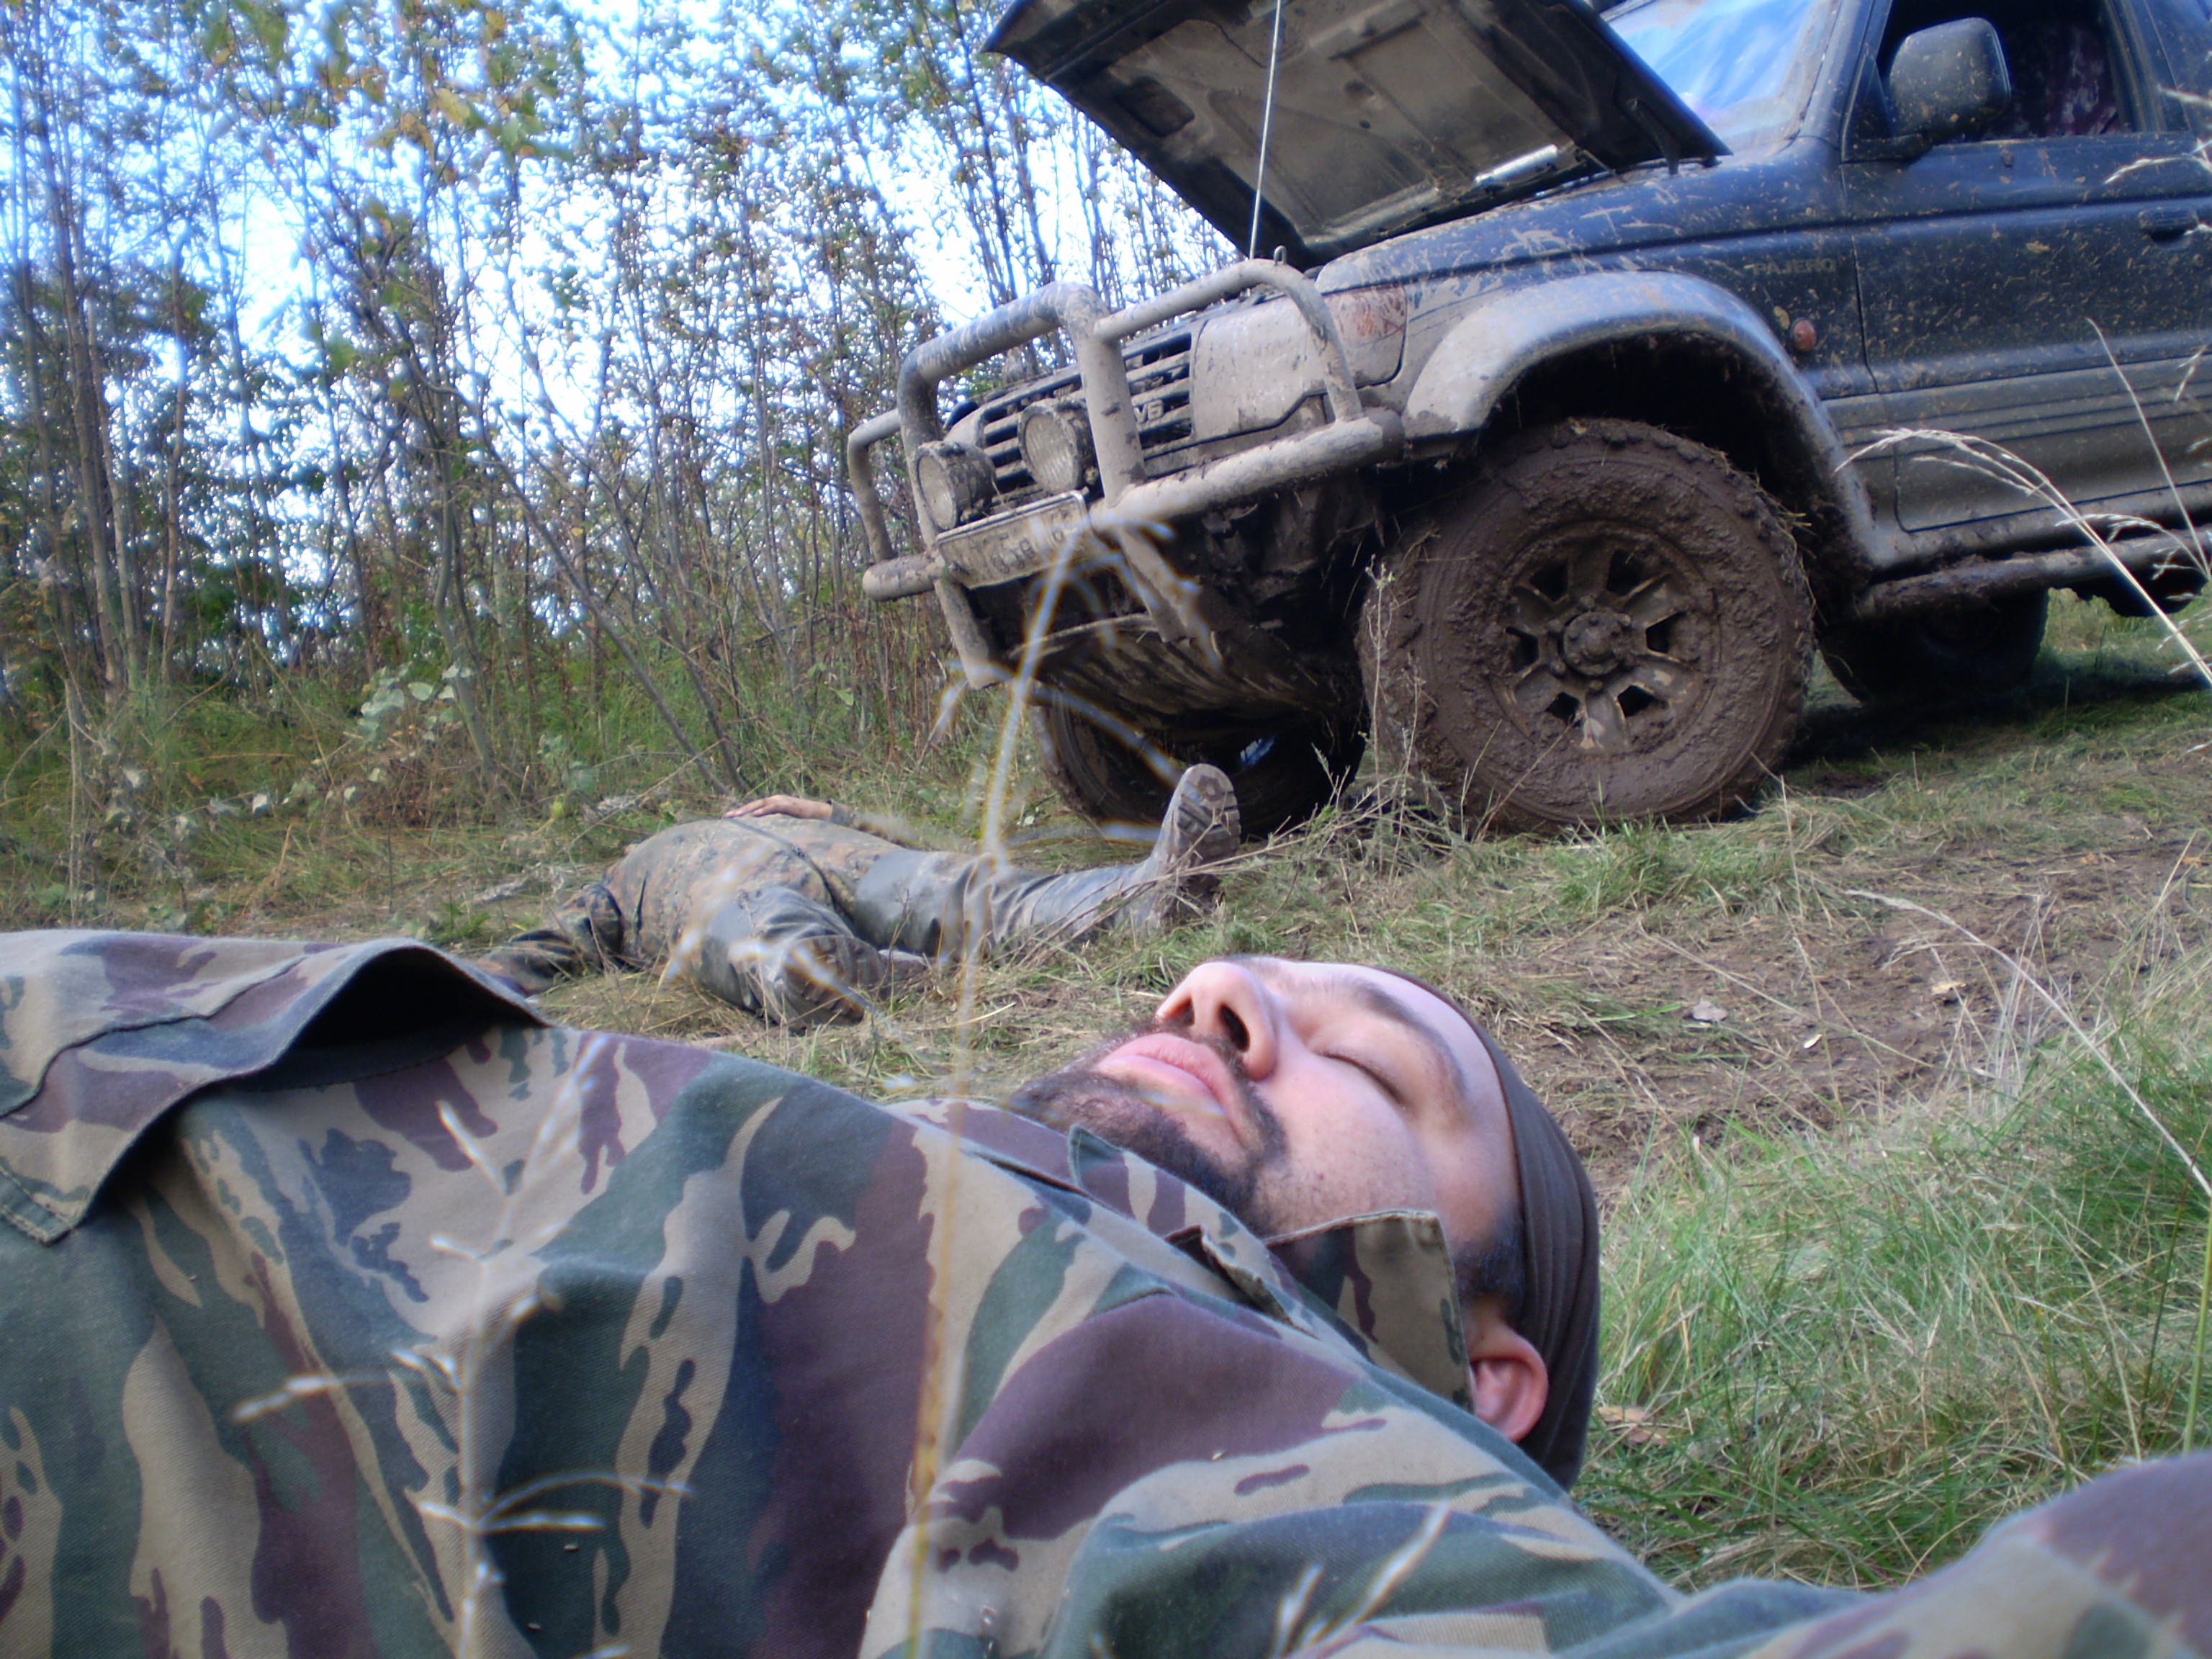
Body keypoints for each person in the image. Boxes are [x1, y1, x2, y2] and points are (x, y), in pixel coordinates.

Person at [0, 928, 2205, 1659]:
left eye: (1377, 1067)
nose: (1220, 989)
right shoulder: (922, 1162)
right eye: (1242, 981)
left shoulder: (1228, 1397)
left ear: (1487, 1375)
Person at [480, 764, 1241, 1023]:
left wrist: (825, 812)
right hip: (730, 901)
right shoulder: (628, 879)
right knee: (776, 942)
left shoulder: (772, 815)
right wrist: (458, 983)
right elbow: (545, 948)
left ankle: (1146, 895)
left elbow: (905, 835)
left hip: (853, 864)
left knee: (970, 890)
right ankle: (845, 978)